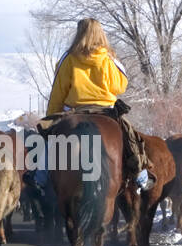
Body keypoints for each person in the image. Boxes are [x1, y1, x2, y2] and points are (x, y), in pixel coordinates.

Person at [44, 18, 152, 190]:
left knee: (50, 144)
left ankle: (41, 176)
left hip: (75, 111)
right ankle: (140, 174)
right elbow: (120, 86)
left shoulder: (68, 58)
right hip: (106, 111)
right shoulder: (109, 59)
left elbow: (58, 91)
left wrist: (51, 117)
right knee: (131, 139)